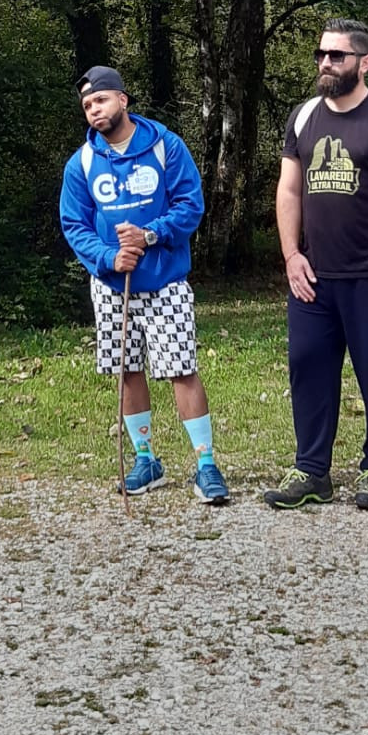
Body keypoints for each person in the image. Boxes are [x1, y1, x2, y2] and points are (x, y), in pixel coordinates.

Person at [263, 18, 368, 511]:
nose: (326, 63)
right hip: (313, 278)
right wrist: (291, 256)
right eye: (321, 55)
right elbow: (289, 190)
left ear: (364, 62)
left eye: (337, 55)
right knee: (307, 369)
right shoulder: (304, 115)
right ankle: (311, 470)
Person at [58, 66, 228, 504]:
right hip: (112, 287)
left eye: (100, 100)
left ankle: (205, 465)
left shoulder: (166, 147)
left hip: (166, 281)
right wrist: (108, 257)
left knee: (180, 368)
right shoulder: (82, 163)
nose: (94, 110)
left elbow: (192, 205)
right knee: (126, 369)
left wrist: (150, 235)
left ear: (123, 100)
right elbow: (74, 225)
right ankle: (146, 460)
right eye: (87, 105)